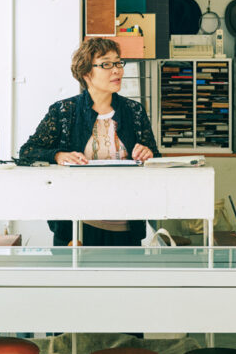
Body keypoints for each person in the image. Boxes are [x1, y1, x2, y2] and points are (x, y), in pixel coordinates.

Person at [19, 38, 160, 246]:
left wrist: (148, 154)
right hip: (77, 226)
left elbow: (156, 158)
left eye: (118, 63)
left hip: (125, 225)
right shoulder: (64, 111)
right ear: (86, 73)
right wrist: (58, 155)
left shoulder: (134, 111)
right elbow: (28, 152)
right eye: (106, 64)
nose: (117, 70)